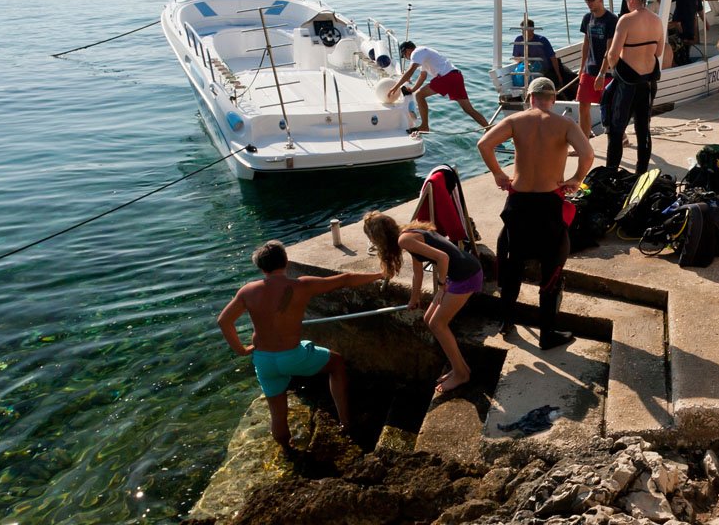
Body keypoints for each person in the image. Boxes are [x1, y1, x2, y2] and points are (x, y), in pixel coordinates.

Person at [216, 241, 383, 447]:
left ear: (261, 268)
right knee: (336, 363)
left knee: (277, 415)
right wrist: (380, 274)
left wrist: (241, 350)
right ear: (285, 261)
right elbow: (345, 280)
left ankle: (287, 451)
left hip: (264, 360)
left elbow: (224, 321)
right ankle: (345, 423)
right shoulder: (301, 285)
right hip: (293, 356)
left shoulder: (248, 291)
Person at [477, 77, 594, 349]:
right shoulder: (565, 124)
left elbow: (484, 144)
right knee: (552, 268)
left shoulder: (516, 121)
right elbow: (586, 153)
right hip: (548, 204)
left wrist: (498, 173)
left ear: (530, 97)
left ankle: (506, 321)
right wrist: (576, 178)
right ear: (553, 99)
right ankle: (548, 334)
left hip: (518, 204)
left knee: (513, 262)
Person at [362, 212, 481, 395]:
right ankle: (460, 367)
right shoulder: (409, 233)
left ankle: (461, 374)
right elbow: (418, 273)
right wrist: (414, 298)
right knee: (428, 319)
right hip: (461, 273)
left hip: (465, 276)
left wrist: (441, 287)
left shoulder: (405, 240)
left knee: (438, 324)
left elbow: (443, 258)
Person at [598, 0, 665, 174]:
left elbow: (612, 55)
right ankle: (641, 172)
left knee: (616, 129)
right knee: (643, 129)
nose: (627, 1)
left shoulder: (625, 20)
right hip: (648, 82)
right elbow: (658, 51)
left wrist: (614, 65)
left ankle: (612, 172)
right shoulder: (656, 20)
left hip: (627, 81)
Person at [389, 42, 490, 134]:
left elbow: (410, 71)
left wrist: (396, 87)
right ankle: (489, 129)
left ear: (407, 50)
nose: (406, 58)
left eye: (404, 56)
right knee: (468, 109)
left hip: (447, 77)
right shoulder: (423, 54)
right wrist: (413, 90)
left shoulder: (416, 52)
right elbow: (422, 76)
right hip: (456, 76)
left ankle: (424, 126)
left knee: (420, 96)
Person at [577, 0, 619, 138]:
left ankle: (621, 136)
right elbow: (586, 44)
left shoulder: (611, 20)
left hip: (606, 71)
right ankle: (584, 142)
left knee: (610, 107)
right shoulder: (587, 18)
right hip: (589, 69)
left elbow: (610, 49)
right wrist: (582, 68)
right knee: (583, 106)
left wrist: (602, 73)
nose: (589, 3)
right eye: (586, 0)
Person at [512, 19, 564, 86]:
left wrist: (558, 74)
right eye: (522, 30)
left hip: (546, 70)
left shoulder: (542, 40)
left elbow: (553, 57)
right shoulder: (518, 40)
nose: (524, 32)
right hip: (528, 70)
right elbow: (516, 58)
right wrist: (525, 61)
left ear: (533, 29)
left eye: (526, 30)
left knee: (567, 78)